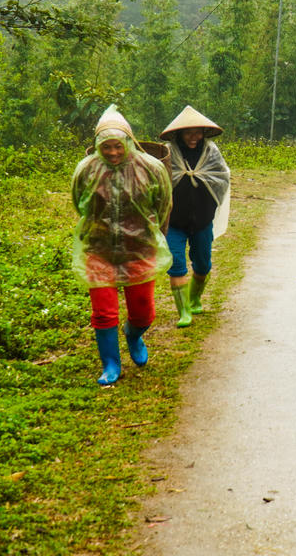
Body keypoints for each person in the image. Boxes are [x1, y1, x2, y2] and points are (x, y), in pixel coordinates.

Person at [71, 105, 173, 385]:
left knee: (143, 311)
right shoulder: (87, 169)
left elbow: (163, 205)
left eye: (118, 146)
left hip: (139, 247)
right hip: (99, 248)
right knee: (103, 312)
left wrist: (151, 235)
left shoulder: (150, 168)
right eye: (106, 147)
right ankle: (110, 364)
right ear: (97, 146)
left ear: (129, 141)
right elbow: (79, 203)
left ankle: (133, 334)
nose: (113, 152)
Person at [159, 106, 231, 327]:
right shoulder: (168, 153)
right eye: (188, 133)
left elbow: (222, 177)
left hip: (202, 222)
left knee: (203, 266)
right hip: (175, 222)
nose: (193, 137)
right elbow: (157, 181)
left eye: (197, 132)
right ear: (179, 133)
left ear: (203, 133)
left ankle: (194, 298)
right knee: (176, 265)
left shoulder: (211, 152)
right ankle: (184, 312)